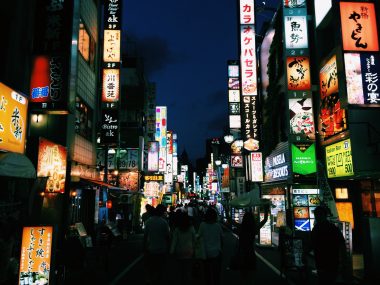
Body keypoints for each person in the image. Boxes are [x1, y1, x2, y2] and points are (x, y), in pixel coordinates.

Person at [311, 206, 346, 285]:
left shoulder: (316, 229)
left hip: (322, 260)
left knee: (323, 279)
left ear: (324, 215)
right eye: (317, 215)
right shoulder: (332, 228)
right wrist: (343, 260)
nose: (317, 217)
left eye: (318, 214)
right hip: (332, 260)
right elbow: (342, 243)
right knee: (331, 279)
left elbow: (311, 243)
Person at [236, 206, 269, 285]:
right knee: (251, 275)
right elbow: (265, 220)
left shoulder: (241, 227)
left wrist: (227, 208)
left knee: (243, 275)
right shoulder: (254, 228)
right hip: (251, 254)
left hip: (242, 253)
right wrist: (266, 209)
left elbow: (229, 220)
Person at [143, 204, 170, 285]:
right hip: (162, 249)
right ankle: (158, 280)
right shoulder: (164, 222)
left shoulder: (148, 221)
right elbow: (167, 236)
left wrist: (144, 247)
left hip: (150, 248)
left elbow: (145, 236)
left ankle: (150, 280)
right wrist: (169, 247)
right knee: (160, 268)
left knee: (150, 267)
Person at [197, 207, 224, 285]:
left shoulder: (202, 225)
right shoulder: (217, 226)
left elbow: (198, 236)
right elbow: (222, 238)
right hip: (216, 252)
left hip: (205, 253)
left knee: (207, 273)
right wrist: (221, 249)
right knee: (216, 274)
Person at [170, 211, 196, 285]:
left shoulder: (177, 230)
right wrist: (195, 250)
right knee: (188, 270)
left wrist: (171, 251)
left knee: (180, 271)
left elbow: (174, 242)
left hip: (179, 251)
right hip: (189, 251)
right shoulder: (191, 228)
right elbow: (194, 240)